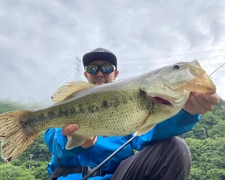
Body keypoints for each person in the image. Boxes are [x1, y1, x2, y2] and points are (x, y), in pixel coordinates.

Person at [44, 47, 219, 180]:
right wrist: (70, 139)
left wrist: (187, 111)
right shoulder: (70, 102)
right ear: (85, 75)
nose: (99, 73)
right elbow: (51, 138)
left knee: (176, 149)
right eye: (92, 69)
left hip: (120, 176)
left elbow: (150, 133)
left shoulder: (133, 101)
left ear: (116, 73)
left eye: (106, 68)